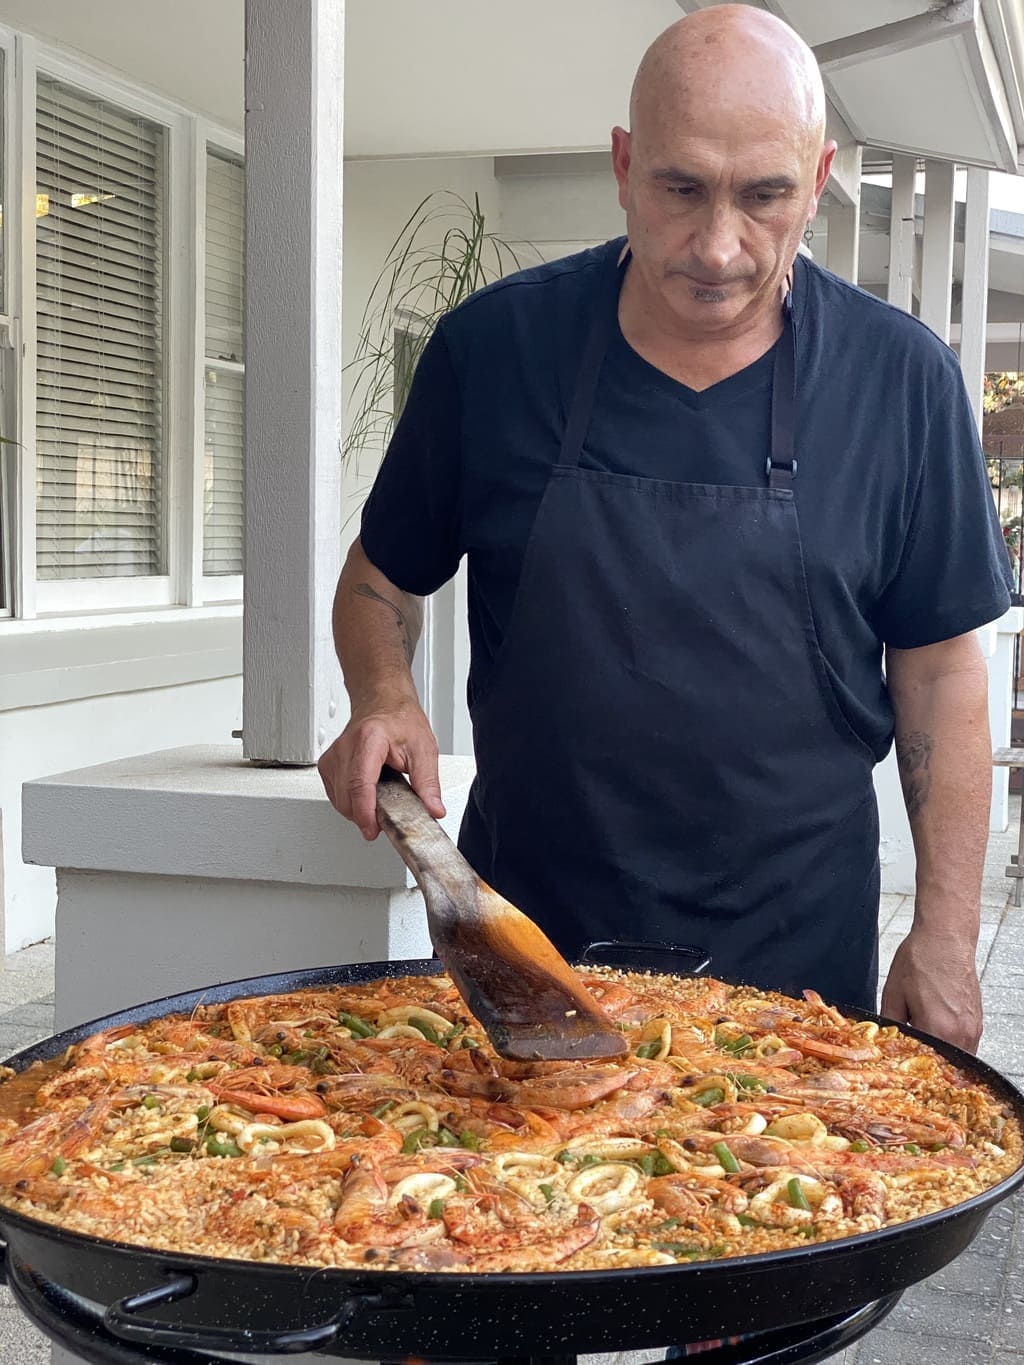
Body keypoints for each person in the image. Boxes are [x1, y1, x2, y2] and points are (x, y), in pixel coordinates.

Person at [319, 4, 1011, 1052]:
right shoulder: (493, 354)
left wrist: (946, 935)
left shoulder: (899, 381)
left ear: (816, 179)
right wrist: (382, 696)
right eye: (680, 188)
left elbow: (941, 673)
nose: (718, 247)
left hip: (798, 962)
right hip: (527, 953)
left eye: (765, 196)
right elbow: (377, 581)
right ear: (623, 164)